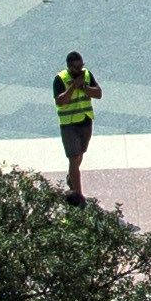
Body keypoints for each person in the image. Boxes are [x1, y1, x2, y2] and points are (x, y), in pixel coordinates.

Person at [49, 48, 100, 202]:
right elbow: (60, 101)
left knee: (80, 154)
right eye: (76, 68)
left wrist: (83, 87)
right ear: (69, 67)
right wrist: (72, 87)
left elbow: (98, 93)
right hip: (69, 125)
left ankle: (72, 176)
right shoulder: (60, 79)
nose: (79, 70)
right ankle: (78, 195)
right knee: (74, 157)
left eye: (81, 66)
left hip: (85, 121)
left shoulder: (87, 75)